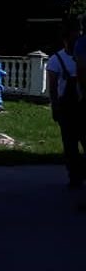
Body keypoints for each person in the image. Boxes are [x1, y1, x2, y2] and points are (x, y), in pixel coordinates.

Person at [52, 18, 85, 187]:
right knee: (70, 145)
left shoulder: (82, 54)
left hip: (82, 105)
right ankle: (74, 176)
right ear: (66, 38)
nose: (76, 39)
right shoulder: (56, 59)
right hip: (67, 107)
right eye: (73, 35)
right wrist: (55, 108)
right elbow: (53, 87)